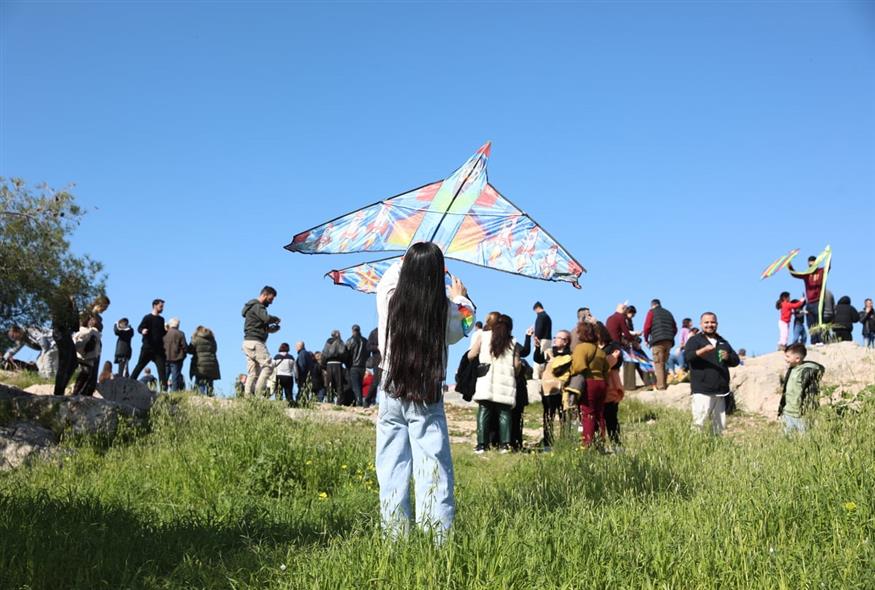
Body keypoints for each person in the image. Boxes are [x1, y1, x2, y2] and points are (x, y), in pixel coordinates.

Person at [375, 242, 474, 540]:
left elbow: (393, 274)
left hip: (391, 388)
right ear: (437, 275)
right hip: (426, 391)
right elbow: (465, 325)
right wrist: (462, 296)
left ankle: (395, 536)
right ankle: (437, 539)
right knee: (433, 466)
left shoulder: (388, 296)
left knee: (391, 463)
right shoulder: (443, 308)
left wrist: (412, 258)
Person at [684, 312, 740, 435]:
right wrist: (703, 350)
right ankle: (695, 450)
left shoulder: (723, 342)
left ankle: (717, 451)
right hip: (702, 390)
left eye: (712, 322)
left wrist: (728, 357)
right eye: (706, 322)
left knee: (719, 427)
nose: (710, 325)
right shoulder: (695, 340)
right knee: (699, 424)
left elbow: (736, 360)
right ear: (701, 324)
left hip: (721, 391)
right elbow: (687, 357)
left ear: (717, 324)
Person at [470, 314, 519, 454]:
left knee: (484, 411)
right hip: (505, 381)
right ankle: (505, 445)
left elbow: (472, 354)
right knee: (504, 413)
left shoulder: (483, 336)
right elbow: (516, 365)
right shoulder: (512, 342)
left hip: (486, 380)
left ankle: (481, 445)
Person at [571, 322, 608, 447]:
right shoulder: (600, 351)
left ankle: (587, 443)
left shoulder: (581, 348)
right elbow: (606, 369)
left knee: (588, 413)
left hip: (589, 382)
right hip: (601, 382)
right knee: (599, 413)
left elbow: (578, 366)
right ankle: (600, 442)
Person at [241, 286, 281, 396]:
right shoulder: (258, 306)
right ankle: (259, 395)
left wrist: (272, 330)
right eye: (270, 299)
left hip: (247, 342)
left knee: (253, 372)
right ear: (264, 295)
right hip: (255, 342)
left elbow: (261, 326)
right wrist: (276, 319)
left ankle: (248, 396)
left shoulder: (252, 308)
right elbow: (267, 319)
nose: (271, 302)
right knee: (269, 366)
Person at [536, 330, 572, 450]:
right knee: (548, 416)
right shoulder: (549, 352)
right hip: (547, 389)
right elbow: (538, 359)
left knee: (564, 417)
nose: (556, 339)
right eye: (555, 337)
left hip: (563, 390)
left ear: (566, 341)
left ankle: (564, 442)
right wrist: (537, 348)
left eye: (559, 338)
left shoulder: (570, 355)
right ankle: (547, 443)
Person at [778, 343, 825, 434]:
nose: (785, 359)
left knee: (805, 438)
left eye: (788, 356)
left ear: (797, 359)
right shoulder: (791, 369)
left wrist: (809, 410)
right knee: (787, 440)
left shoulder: (807, 371)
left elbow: (811, 392)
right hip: (788, 413)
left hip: (802, 415)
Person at [788, 255, 828, 344]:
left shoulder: (821, 271)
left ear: (816, 263)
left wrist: (827, 254)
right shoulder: (807, 274)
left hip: (818, 301)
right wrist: (789, 264)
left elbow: (828, 265)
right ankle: (814, 341)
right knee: (810, 323)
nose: (811, 267)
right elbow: (795, 274)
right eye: (809, 265)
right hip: (809, 303)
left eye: (812, 265)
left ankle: (821, 341)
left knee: (819, 321)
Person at [130, 299, 168, 391]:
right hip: (148, 348)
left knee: (162, 370)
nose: (162, 308)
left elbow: (162, 333)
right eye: (160, 306)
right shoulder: (147, 317)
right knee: (139, 366)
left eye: (162, 306)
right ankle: (129, 383)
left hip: (158, 350)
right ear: (155, 306)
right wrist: (143, 331)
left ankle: (164, 391)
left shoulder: (161, 319)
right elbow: (139, 328)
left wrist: (167, 331)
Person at [49, 284, 79, 396]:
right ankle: (58, 392)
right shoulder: (60, 298)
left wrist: (73, 303)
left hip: (66, 333)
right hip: (60, 332)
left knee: (73, 363)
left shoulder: (70, 300)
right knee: (64, 363)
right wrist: (72, 302)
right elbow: (61, 318)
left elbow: (75, 324)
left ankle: (60, 390)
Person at [642, 299, 677, 391]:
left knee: (658, 363)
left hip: (657, 341)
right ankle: (664, 383)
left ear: (652, 305)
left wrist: (646, 339)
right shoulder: (668, 312)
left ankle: (661, 386)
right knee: (664, 363)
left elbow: (647, 327)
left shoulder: (651, 312)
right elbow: (675, 327)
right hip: (669, 341)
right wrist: (670, 336)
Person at [599, 322, 624, 449]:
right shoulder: (592, 348)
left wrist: (607, 362)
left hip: (611, 384)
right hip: (598, 383)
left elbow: (618, 362)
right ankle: (600, 444)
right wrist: (610, 360)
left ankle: (616, 444)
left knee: (611, 416)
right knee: (599, 418)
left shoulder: (613, 345)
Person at [71, 313, 101, 396]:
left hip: (86, 356)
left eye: (94, 320)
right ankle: (76, 392)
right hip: (83, 355)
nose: (93, 321)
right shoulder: (86, 331)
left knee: (86, 374)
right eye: (91, 319)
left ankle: (77, 392)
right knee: (84, 373)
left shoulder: (93, 332)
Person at [189, 326, 220, 395]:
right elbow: (215, 350)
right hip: (212, 363)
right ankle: (210, 396)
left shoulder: (196, 339)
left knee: (200, 381)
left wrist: (191, 339)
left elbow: (190, 350)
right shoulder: (212, 340)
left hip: (200, 364)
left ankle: (200, 397)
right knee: (210, 382)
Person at [345, 324, 369, 407]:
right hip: (362, 366)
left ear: (352, 331)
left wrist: (347, 364)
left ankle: (359, 402)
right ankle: (360, 401)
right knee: (359, 385)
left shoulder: (350, 340)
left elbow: (346, 353)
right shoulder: (365, 341)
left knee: (355, 386)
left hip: (353, 366)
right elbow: (368, 354)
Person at [321, 329, 347, 404]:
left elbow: (324, 353)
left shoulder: (328, 342)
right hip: (338, 364)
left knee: (329, 383)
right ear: (338, 334)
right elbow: (343, 352)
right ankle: (340, 401)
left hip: (329, 364)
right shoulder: (340, 341)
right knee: (339, 384)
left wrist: (323, 365)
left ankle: (329, 400)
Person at [163, 318, 188, 391]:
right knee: (175, 377)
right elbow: (184, 346)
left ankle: (162, 391)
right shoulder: (180, 333)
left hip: (165, 357)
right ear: (177, 325)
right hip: (177, 358)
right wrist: (184, 355)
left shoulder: (164, 333)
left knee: (164, 376)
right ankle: (174, 393)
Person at [366, 328, 381, 407]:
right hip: (377, 359)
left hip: (389, 359)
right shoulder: (374, 332)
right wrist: (377, 347)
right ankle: (368, 400)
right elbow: (368, 347)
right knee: (376, 381)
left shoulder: (391, 329)